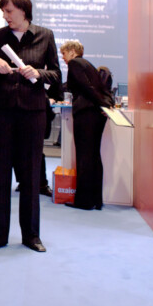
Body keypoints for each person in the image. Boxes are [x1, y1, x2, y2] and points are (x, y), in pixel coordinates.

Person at [0, 0, 60, 253]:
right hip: (1, 113)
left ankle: (31, 235)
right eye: (3, 11)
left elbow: (56, 75)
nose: (5, 16)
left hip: (32, 113)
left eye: (9, 11)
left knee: (30, 176)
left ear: (23, 11)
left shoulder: (45, 35)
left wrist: (37, 72)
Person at [60, 41, 112, 210]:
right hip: (96, 114)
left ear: (72, 51)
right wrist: (105, 104)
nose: (63, 58)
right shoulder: (89, 65)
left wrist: (102, 103)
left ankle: (84, 201)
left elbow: (86, 88)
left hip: (86, 113)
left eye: (64, 53)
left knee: (84, 157)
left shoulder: (75, 63)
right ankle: (96, 200)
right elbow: (99, 88)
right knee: (94, 156)